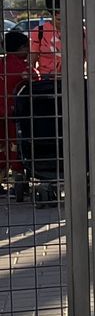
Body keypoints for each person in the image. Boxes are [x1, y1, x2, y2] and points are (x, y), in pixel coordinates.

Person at [0, 31, 32, 198]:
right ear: (20, 48)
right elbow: (35, 84)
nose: (28, 50)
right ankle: (18, 180)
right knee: (16, 146)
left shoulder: (1, 64)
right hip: (15, 114)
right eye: (27, 46)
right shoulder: (24, 68)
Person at [28, 10, 61, 77]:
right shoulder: (40, 31)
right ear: (52, 17)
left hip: (74, 77)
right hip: (46, 77)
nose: (62, 22)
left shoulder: (80, 31)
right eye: (59, 19)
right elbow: (32, 57)